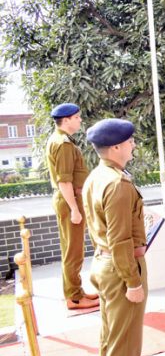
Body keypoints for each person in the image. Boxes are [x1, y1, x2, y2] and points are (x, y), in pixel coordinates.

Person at [83, 118, 151, 356]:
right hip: (121, 267)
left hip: (104, 262)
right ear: (115, 147)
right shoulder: (117, 184)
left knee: (111, 336)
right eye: (130, 141)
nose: (134, 145)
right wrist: (133, 282)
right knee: (124, 340)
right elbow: (120, 239)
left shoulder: (97, 176)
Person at [46, 103, 99, 310]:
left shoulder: (61, 140)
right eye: (77, 117)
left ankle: (75, 290)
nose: (80, 120)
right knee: (73, 251)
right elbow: (64, 181)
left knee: (72, 249)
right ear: (66, 120)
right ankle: (74, 297)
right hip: (70, 201)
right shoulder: (63, 144)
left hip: (70, 200)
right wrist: (75, 209)